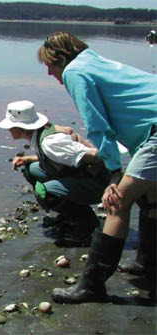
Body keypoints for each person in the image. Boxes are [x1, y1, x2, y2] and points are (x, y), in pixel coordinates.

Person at [38, 31, 157, 304]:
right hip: (152, 127)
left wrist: (115, 173)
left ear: (61, 58)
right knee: (151, 197)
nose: (49, 72)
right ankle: (148, 265)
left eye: (50, 65)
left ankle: (91, 287)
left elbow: (97, 126)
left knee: (117, 203)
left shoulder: (75, 72)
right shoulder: (94, 61)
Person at [0, 100, 110, 244]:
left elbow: (96, 155)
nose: (8, 130)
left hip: (100, 183)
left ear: (19, 127)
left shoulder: (50, 143)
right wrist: (27, 159)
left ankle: (86, 223)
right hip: (79, 175)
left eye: (10, 127)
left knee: (45, 193)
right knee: (31, 169)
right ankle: (69, 213)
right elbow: (55, 157)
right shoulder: (41, 134)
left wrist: (112, 164)